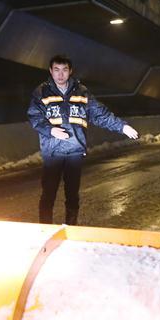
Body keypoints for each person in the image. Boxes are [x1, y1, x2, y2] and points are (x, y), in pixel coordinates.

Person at [28, 55, 138, 224]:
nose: (60, 74)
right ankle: (45, 230)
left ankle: (71, 229)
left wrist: (122, 126)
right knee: (48, 194)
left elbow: (100, 114)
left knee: (72, 195)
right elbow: (35, 117)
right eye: (56, 70)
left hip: (74, 151)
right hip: (52, 152)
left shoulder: (82, 92)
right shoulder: (41, 92)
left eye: (64, 70)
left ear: (70, 71)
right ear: (51, 71)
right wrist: (51, 130)